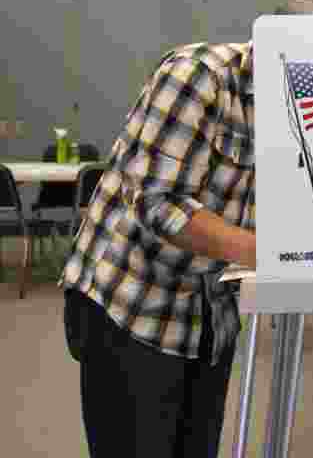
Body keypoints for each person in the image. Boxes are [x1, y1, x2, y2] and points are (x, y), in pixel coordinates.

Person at [60, 40, 255, 458]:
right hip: (130, 305)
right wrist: (269, 251)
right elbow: (157, 201)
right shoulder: (200, 76)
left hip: (209, 316)